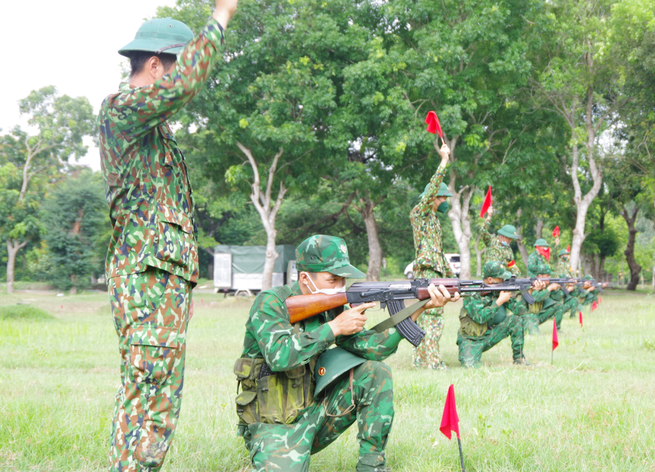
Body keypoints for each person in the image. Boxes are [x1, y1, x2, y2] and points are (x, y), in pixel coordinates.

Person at [99, 2, 238, 470]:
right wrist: (220, 16)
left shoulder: (156, 133)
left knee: (161, 396)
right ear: (155, 63)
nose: (184, 80)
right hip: (145, 280)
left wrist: (183, 284)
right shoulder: (122, 111)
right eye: (178, 64)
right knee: (148, 388)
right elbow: (185, 85)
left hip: (164, 283)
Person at [234, 235, 459, 471]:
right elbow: (279, 357)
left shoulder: (331, 308)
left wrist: (419, 306)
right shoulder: (270, 303)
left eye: (343, 279)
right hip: (275, 426)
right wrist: (334, 328)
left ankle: (371, 466)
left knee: (374, 372)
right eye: (332, 279)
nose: (340, 285)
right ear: (304, 277)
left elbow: (373, 349)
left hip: (316, 414)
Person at [409, 144, 454, 370]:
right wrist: (444, 161)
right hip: (427, 272)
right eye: (444, 197)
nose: (447, 200)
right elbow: (432, 188)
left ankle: (420, 360)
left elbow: (439, 253)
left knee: (426, 315)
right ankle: (433, 363)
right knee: (433, 317)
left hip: (434, 271)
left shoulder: (434, 221)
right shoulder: (420, 213)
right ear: (435, 197)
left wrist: (453, 280)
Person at [457, 261, 534, 367]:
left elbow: (520, 312)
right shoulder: (472, 292)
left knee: (516, 320)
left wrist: (527, 292)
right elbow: (480, 317)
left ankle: (519, 359)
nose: (503, 281)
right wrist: (499, 302)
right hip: (471, 340)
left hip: (489, 335)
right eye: (500, 278)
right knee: (470, 366)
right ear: (490, 279)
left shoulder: (498, 290)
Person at [521, 258, 570, 335]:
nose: (549, 277)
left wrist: (559, 287)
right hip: (527, 318)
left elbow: (558, 298)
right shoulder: (530, 283)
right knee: (535, 336)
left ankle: (557, 330)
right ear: (540, 276)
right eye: (547, 275)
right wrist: (549, 289)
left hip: (538, 315)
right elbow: (536, 299)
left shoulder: (546, 284)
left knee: (559, 306)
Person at [479, 206, 521, 276]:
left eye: (511, 239)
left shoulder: (508, 250)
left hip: (501, 279)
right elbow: (483, 231)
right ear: (503, 236)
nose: (510, 241)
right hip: (489, 278)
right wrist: (489, 216)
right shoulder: (491, 241)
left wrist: (519, 277)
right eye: (509, 238)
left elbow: (512, 265)